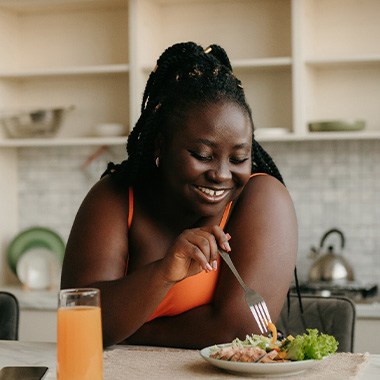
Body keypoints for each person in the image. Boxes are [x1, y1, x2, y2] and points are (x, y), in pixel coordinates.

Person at [61, 42, 298, 349]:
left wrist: (133, 331)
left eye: (239, 158)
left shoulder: (263, 199)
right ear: (160, 146)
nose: (222, 174)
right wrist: (162, 274)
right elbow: (79, 322)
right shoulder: (116, 196)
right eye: (202, 154)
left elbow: (240, 331)